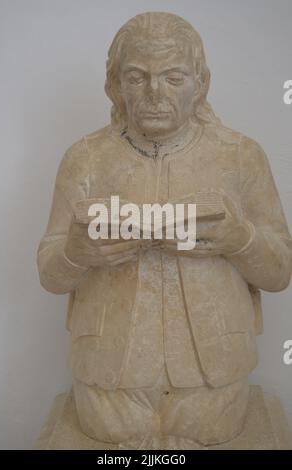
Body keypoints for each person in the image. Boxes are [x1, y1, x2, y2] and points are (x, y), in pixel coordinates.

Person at [37, 12, 292, 447]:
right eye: (136, 78)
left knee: (211, 430)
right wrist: (77, 253)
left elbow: (280, 272)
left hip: (214, 376)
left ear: (201, 83)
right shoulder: (84, 159)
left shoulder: (242, 157)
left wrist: (240, 239)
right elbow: (49, 273)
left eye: (173, 77)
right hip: (110, 378)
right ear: (114, 86)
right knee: (113, 433)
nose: (155, 93)